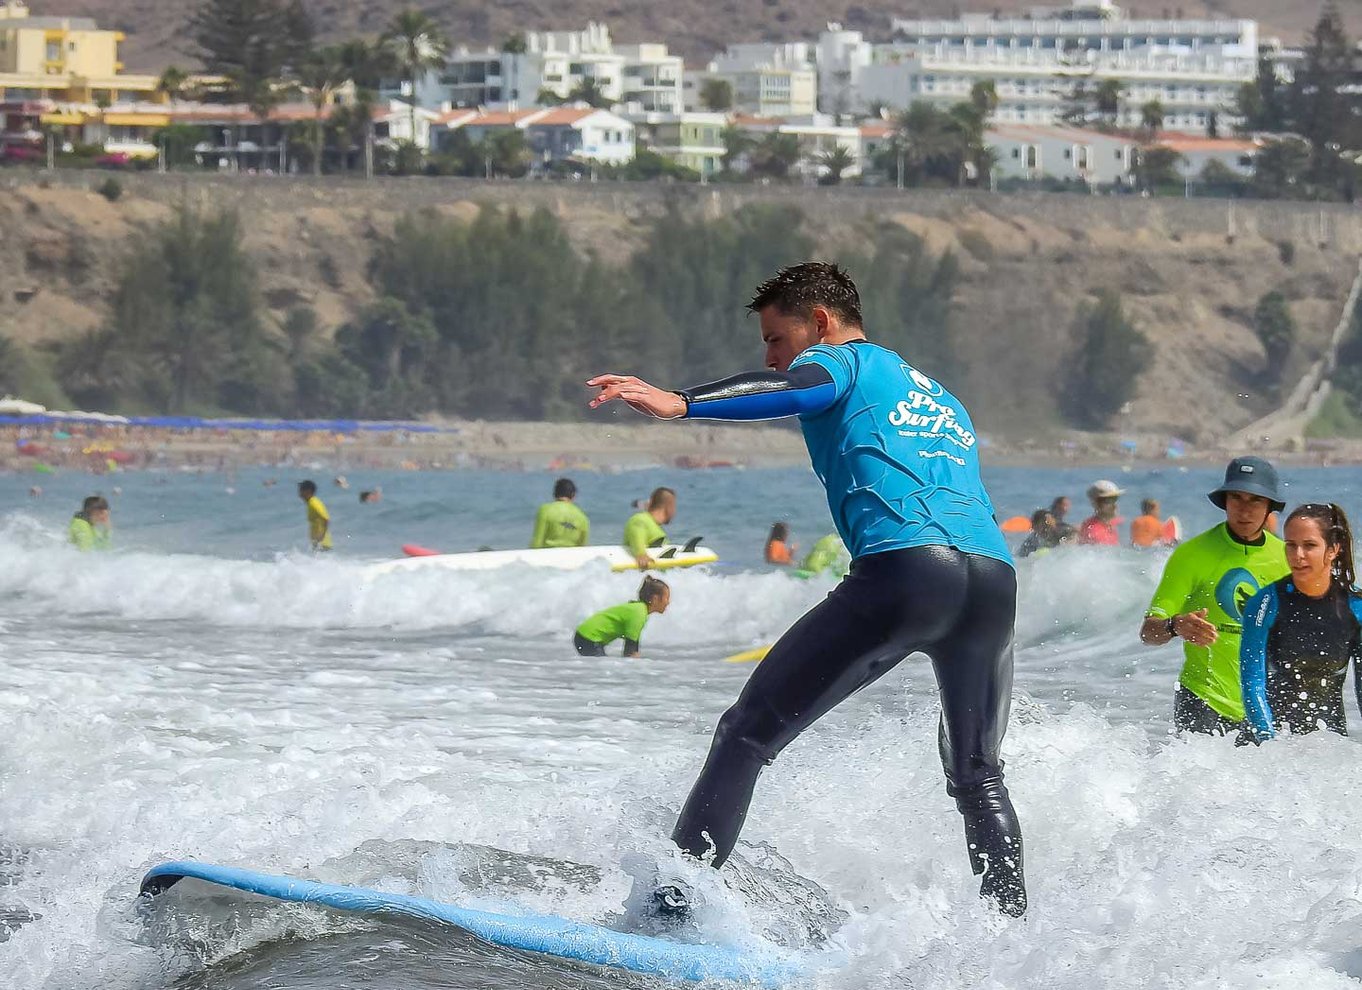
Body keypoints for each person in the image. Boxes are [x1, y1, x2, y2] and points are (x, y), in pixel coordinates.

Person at [588, 261, 1026, 917]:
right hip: (993, 581)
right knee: (978, 775)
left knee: (745, 735)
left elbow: (792, 391)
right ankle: (1013, 942)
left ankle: (667, 914)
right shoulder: (938, 397)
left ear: (819, 323)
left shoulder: (841, 364)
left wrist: (684, 402)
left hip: (908, 569)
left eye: (775, 338)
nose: (771, 355)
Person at [1140, 457, 1290, 735]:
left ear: (1270, 505)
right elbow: (1148, 633)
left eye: (1255, 500)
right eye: (1236, 497)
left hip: (1265, 704)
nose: (1244, 509)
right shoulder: (1191, 555)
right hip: (1202, 700)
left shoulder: (1286, 558)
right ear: (1225, 501)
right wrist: (1175, 626)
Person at [1240, 503, 1362, 741]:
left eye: (1309, 546)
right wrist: (1268, 743)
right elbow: (1253, 682)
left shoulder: (1355, 607)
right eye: (1290, 545)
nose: (1298, 556)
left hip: (1330, 745)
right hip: (1266, 744)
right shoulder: (1265, 603)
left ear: (1333, 549)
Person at [573, 577, 671, 657]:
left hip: (585, 635)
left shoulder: (639, 610)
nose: (668, 602)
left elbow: (633, 646)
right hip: (588, 637)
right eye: (667, 598)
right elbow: (629, 652)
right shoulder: (639, 613)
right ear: (655, 599)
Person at [530, 478, 591, 549]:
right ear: (573, 495)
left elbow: (536, 542)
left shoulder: (545, 510)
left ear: (554, 494)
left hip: (548, 557)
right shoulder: (582, 517)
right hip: (572, 558)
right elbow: (583, 547)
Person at [623, 487, 676, 568]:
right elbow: (637, 532)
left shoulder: (656, 527)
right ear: (670, 506)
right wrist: (641, 554)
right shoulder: (640, 519)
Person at [1078, 480, 1124, 545]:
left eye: (1115, 499)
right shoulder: (1093, 531)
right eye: (1109, 501)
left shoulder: (1118, 522)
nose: (1114, 505)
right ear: (1097, 504)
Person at [298, 480, 332, 552]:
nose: (299, 494)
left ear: (308, 491)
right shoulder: (311, 503)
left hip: (322, 543)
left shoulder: (314, 503)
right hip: (318, 543)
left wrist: (321, 537)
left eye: (301, 490)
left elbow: (326, 519)